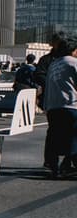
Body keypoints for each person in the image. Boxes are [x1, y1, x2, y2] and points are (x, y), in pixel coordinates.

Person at [42, 36, 77, 179]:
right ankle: (69, 164)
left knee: (54, 135)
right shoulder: (73, 62)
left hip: (53, 106)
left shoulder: (54, 64)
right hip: (71, 104)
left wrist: (46, 106)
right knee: (74, 135)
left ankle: (51, 164)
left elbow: (48, 86)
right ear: (73, 50)